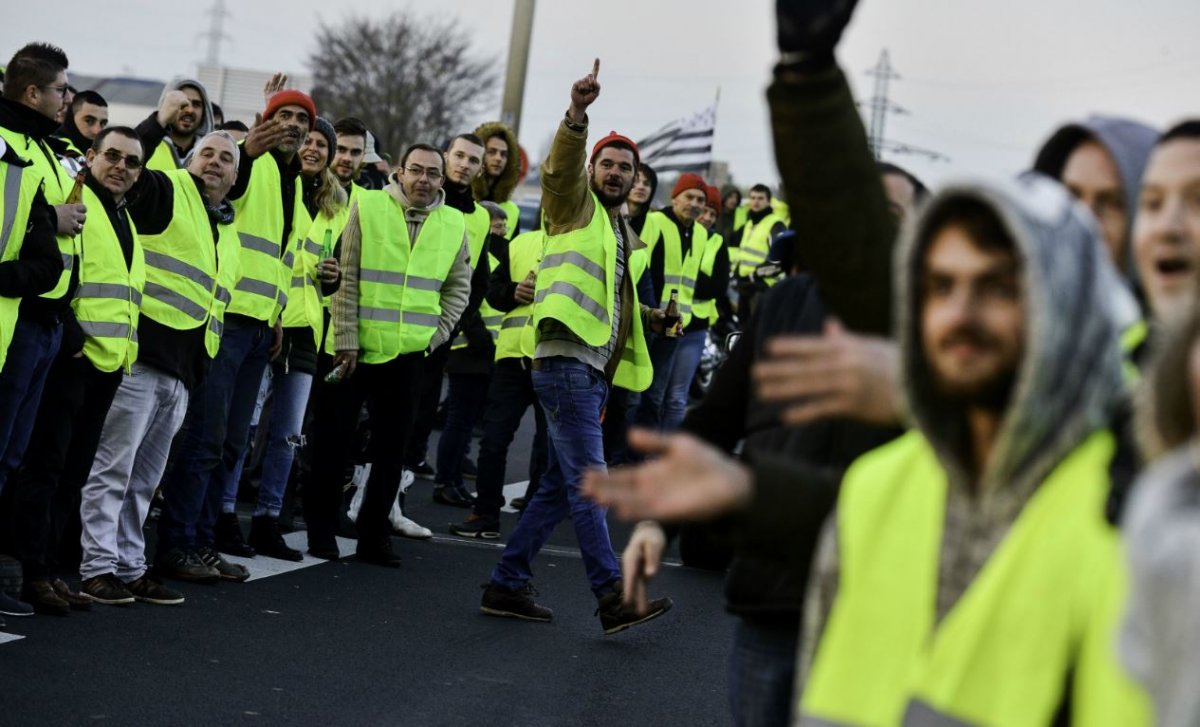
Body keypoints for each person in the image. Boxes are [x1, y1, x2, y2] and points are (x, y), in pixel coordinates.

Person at [479, 60, 671, 635]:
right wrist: (577, 116)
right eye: (607, 165)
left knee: (561, 488)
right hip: (564, 360)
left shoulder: (619, 233)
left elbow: (614, 304)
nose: (615, 174)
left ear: (636, 179)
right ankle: (612, 595)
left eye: (625, 168)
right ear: (593, 170)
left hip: (590, 371)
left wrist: (656, 318)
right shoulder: (574, 206)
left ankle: (506, 584)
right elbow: (561, 170)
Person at [156, 88, 327, 582]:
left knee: (232, 444)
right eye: (283, 116)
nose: (293, 125)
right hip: (226, 322)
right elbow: (233, 182)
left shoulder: (293, 180)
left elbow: (274, 255)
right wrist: (249, 148)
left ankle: (202, 542)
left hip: (258, 329)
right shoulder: (253, 160)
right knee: (206, 439)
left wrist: (275, 315)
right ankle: (177, 543)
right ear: (265, 122)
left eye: (301, 118)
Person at [78, 128, 242, 605]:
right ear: (188, 162)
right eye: (205, 153)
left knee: (146, 481)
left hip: (185, 371)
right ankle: (96, 568)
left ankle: (131, 566)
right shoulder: (168, 189)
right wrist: (156, 124)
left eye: (225, 158)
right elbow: (135, 176)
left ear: (235, 175)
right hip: (142, 358)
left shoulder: (225, 226)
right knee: (114, 470)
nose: (214, 162)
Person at [306, 142, 471, 565]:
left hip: (410, 355)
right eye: (415, 170)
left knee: (391, 451)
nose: (423, 180)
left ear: (442, 179)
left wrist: (433, 338)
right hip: (354, 349)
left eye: (432, 173)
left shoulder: (454, 223)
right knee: (334, 442)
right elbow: (346, 274)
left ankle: (373, 535)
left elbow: (458, 288)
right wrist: (345, 339)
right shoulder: (369, 206)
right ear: (399, 172)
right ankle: (321, 530)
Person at [6, 126, 146, 615]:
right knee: (44, 466)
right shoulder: (76, 198)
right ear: (90, 156)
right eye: (112, 155)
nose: (121, 167)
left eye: (131, 161)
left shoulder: (124, 217)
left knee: (73, 472)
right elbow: (61, 268)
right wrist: (69, 332)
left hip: (107, 363)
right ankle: (30, 572)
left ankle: (47, 569)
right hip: (72, 356)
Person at [0, 43, 82, 618]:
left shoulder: (53, 148)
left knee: (13, 458)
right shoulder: (11, 147)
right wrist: (50, 224)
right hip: (16, 317)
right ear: (33, 93)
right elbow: (32, 223)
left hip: (48, 319)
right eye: (61, 89)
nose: (68, 99)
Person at [243, 116, 341, 561]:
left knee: (287, 435)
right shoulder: (276, 186)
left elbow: (329, 271)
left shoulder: (335, 208)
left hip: (306, 332)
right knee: (244, 428)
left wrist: (332, 278)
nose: (314, 149)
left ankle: (268, 520)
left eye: (323, 144)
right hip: (268, 318)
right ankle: (226, 511)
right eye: (309, 142)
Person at [449, 224, 549, 538]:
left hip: (555, 359)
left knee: (548, 449)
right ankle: (485, 514)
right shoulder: (521, 242)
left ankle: (532, 522)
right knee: (493, 442)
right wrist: (511, 291)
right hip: (511, 359)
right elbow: (493, 292)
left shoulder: (583, 245)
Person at [429, 133, 494, 507]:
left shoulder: (480, 216)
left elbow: (477, 279)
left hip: (444, 332)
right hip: (400, 323)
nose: (464, 164)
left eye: (473, 160)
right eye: (459, 156)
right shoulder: (426, 199)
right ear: (445, 156)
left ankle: (393, 503)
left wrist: (454, 322)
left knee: (423, 421)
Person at [732, 184, 786, 321]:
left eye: (760, 198)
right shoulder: (750, 223)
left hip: (763, 289)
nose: (755, 202)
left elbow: (781, 260)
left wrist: (755, 274)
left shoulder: (775, 224)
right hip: (745, 288)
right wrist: (737, 273)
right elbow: (744, 253)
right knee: (744, 333)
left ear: (768, 201)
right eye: (753, 198)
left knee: (758, 334)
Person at [144, 79, 214, 171]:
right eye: (183, 103)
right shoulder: (145, 146)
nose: (190, 110)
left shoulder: (213, 155)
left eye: (196, 104)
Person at [472, 121, 522, 237]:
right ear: (479, 154)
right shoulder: (464, 199)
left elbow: (511, 253)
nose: (498, 158)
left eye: (503, 154)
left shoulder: (513, 211)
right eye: (492, 152)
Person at [54, 89, 107, 174]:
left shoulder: (101, 157)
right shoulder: (54, 148)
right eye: (89, 121)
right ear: (71, 118)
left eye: (103, 123)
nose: (97, 131)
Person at [625, 163, 658, 236]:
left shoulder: (656, 222)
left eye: (646, 184)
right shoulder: (610, 214)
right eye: (635, 181)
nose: (641, 187)